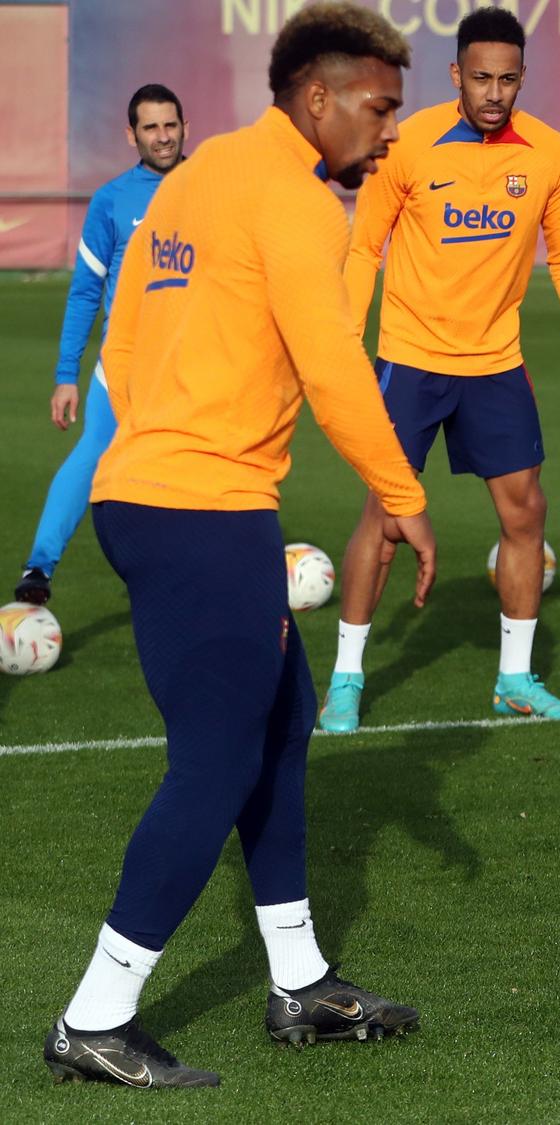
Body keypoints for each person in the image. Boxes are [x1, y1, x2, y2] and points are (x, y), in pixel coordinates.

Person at [43, 2, 438, 1088]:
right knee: (215, 760)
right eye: (379, 105)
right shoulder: (298, 205)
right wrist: (400, 494)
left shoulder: (199, 174)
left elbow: (124, 329)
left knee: (278, 724)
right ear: (318, 97)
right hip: (203, 507)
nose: (390, 128)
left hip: (145, 493)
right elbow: (333, 368)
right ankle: (96, 1015)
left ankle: (300, 982)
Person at [322, 4, 560, 732]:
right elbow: (365, 250)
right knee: (385, 515)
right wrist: (342, 341)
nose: (492, 93)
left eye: (507, 80)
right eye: (480, 78)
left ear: (523, 79)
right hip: (411, 360)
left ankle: (514, 678)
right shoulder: (408, 144)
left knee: (526, 511)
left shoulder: (549, 154)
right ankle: (347, 678)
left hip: (495, 363)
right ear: (455, 74)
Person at [14, 86, 186, 607]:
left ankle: (197, 577)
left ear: (185, 126)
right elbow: (86, 291)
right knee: (92, 457)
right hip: (126, 367)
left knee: (195, 473)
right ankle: (39, 568)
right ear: (130, 134)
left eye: (171, 125)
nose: (163, 136)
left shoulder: (211, 186)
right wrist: (67, 373)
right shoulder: (111, 200)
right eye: (151, 127)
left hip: (191, 368)